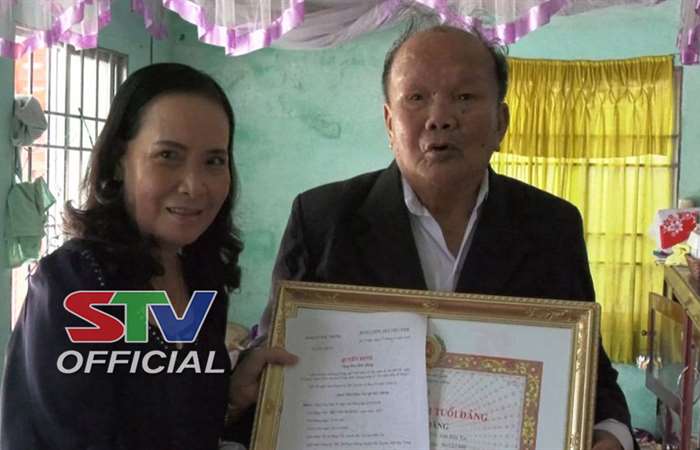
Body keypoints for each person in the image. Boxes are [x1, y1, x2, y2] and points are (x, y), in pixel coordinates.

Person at [264, 24, 635, 450]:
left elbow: (590, 370)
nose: (440, 118)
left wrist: (613, 436)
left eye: (464, 97)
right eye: (416, 97)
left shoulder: (552, 226)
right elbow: (276, 360)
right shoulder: (322, 220)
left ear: (501, 122)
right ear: (389, 122)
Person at [0, 63, 295, 450]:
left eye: (214, 160)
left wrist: (232, 395)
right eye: (168, 155)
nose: (195, 186)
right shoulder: (75, 282)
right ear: (119, 161)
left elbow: (177, 421)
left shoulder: (202, 277)